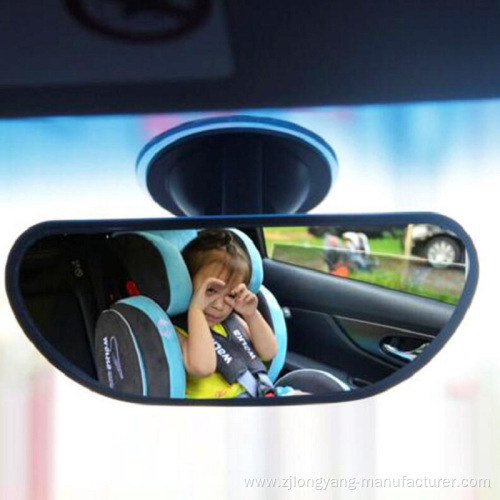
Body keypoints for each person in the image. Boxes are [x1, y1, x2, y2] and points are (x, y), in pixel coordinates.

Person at [173, 229, 306, 399]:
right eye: (210, 290)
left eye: (230, 295)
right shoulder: (175, 331)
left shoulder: (231, 321)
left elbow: (268, 351)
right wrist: (196, 310)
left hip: (262, 394)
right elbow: (202, 367)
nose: (219, 305)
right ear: (187, 282)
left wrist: (251, 315)